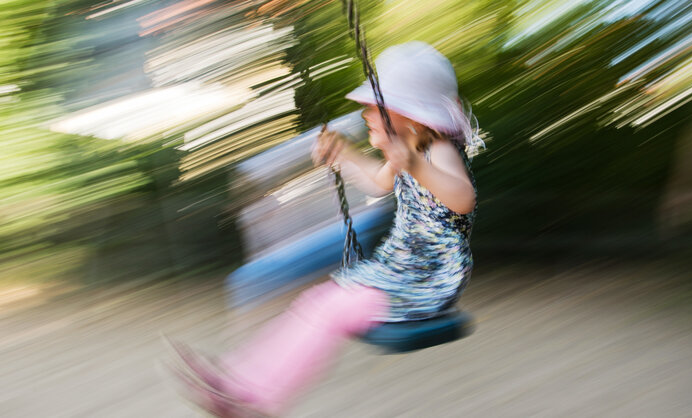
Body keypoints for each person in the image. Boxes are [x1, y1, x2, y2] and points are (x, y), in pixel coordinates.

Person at [168, 41, 484, 417]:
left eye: (375, 106)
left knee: (333, 310)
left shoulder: (436, 151)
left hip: (424, 279)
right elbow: (378, 183)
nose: (365, 112)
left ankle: (257, 399)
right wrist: (345, 154)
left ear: (411, 117)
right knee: (315, 302)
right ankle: (240, 382)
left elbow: (462, 198)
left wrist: (416, 166)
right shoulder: (408, 156)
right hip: (398, 272)